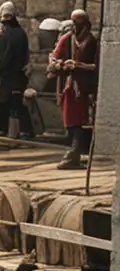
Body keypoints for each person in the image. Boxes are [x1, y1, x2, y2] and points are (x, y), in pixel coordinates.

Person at [52, 9, 99, 168]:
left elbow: (96, 66)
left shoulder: (91, 42)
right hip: (69, 86)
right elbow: (54, 58)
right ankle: (72, 155)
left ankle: (73, 155)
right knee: (70, 122)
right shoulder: (67, 39)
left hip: (84, 88)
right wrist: (61, 64)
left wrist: (79, 65)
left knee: (80, 122)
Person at [0, 2, 32, 143]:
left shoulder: (5, 34)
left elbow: (2, 56)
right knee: (17, 103)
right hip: (19, 74)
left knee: (1, 103)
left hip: (8, 75)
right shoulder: (21, 32)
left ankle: (2, 131)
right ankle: (25, 131)